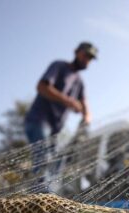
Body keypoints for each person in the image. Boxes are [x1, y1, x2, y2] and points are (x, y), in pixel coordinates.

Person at [24, 42, 98, 182]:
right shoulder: (59, 66)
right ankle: (37, 199)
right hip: (39, 121)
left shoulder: (80, 82)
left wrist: (87, 119)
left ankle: (47, 196)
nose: (87, 60)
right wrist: (68, 101)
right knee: (43, 160)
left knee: (58, 163)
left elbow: (85, 106)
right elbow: (42, 87)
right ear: (76, 52)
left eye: (90, 58)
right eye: (85, 55)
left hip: (55, 131)